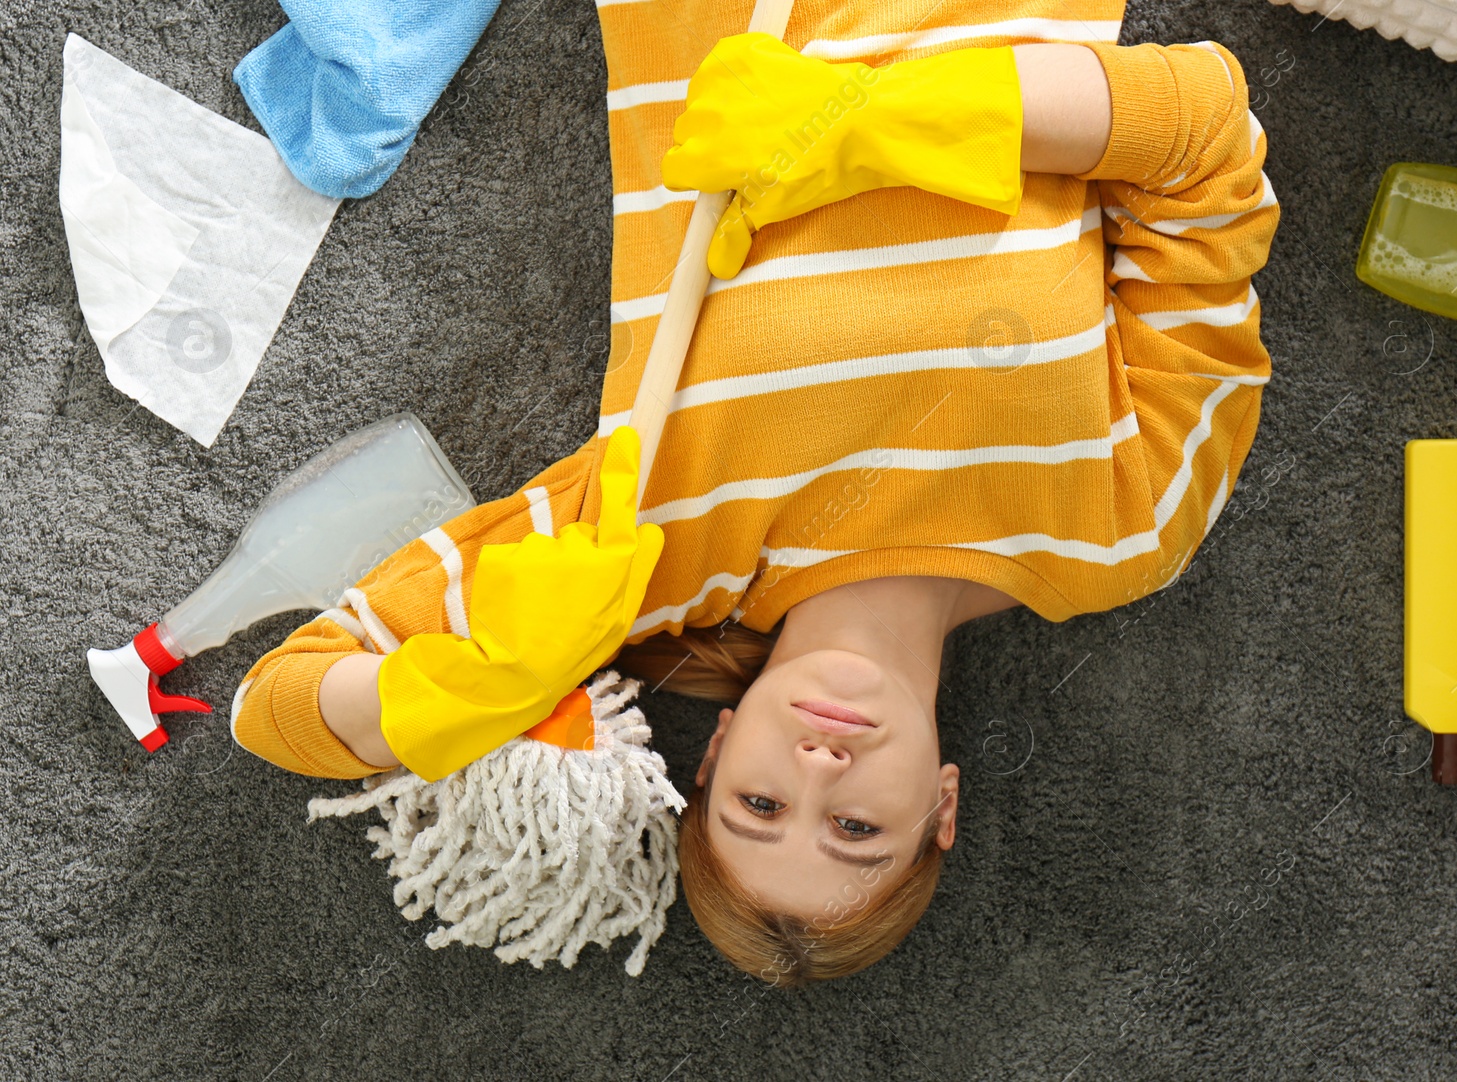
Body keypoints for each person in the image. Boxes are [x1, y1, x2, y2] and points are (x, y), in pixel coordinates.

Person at [231, 3, 1279, 987]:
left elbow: (276, 708)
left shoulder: (643, 559)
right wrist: (888, 122)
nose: (820, 766)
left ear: (720, 747)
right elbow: (1205, 141)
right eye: (855, 828)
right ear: (942, 805)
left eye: (762, 802)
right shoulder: (1127, 529)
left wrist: (468, 689)